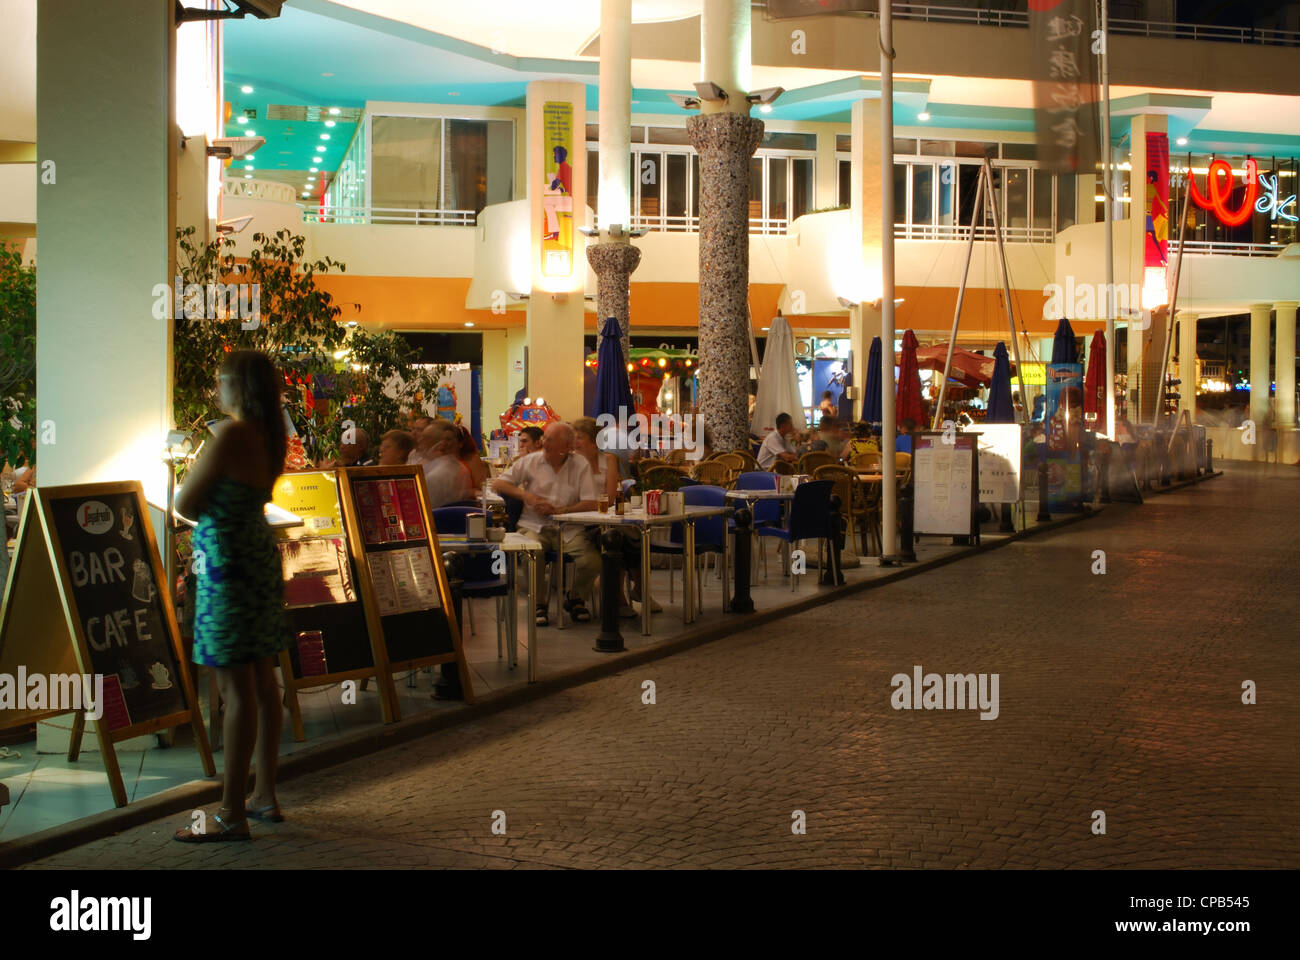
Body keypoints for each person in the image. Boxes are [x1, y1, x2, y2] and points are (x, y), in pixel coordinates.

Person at [174, 350, 288, 842]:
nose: (215, 389)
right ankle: (264, 794)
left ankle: (229, 813)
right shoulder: (270, 434)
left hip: (226, 562)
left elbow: (184, 501)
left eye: (221, 380)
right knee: (264, 682)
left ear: (237, 386)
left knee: (234, 690)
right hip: (257, 555)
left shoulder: (232, 434)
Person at [492, 422, 600, 627]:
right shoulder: (531, 461)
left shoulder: (580, 465)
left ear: (566, 447)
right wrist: (527, 496)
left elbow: (592, 501)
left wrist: (562, 511)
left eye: (550, 440)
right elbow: (499, 484)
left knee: (592, 561)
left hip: (567, 528)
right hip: (533, 525)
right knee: (534, 552)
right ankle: (538, 603)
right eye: (545, 438)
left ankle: (576, 597)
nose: (544, 443)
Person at [420, 421, 474, 508]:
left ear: (439, 443)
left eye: (426, 438)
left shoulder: (438, 473)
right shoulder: (452, 465)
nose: (420, 441)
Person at [454, 423, 489, 490]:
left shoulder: (472, 459)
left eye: (450, 440)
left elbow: (480, 486)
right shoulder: (445, 459)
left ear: (460, 443)